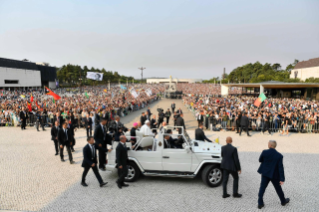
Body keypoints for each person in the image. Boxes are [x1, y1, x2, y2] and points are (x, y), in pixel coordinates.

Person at [257, 140, 290, 209]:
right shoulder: (279, 156)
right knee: (278, 189)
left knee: (262, 188)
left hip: (265, 174)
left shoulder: (264, 152)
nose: (268, 144)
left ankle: (260, 203)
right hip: (274, 175)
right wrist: (282, 179)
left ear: (270, 145)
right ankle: (283, 201)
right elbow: (280, 167)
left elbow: (260, 160)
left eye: (268, 143)